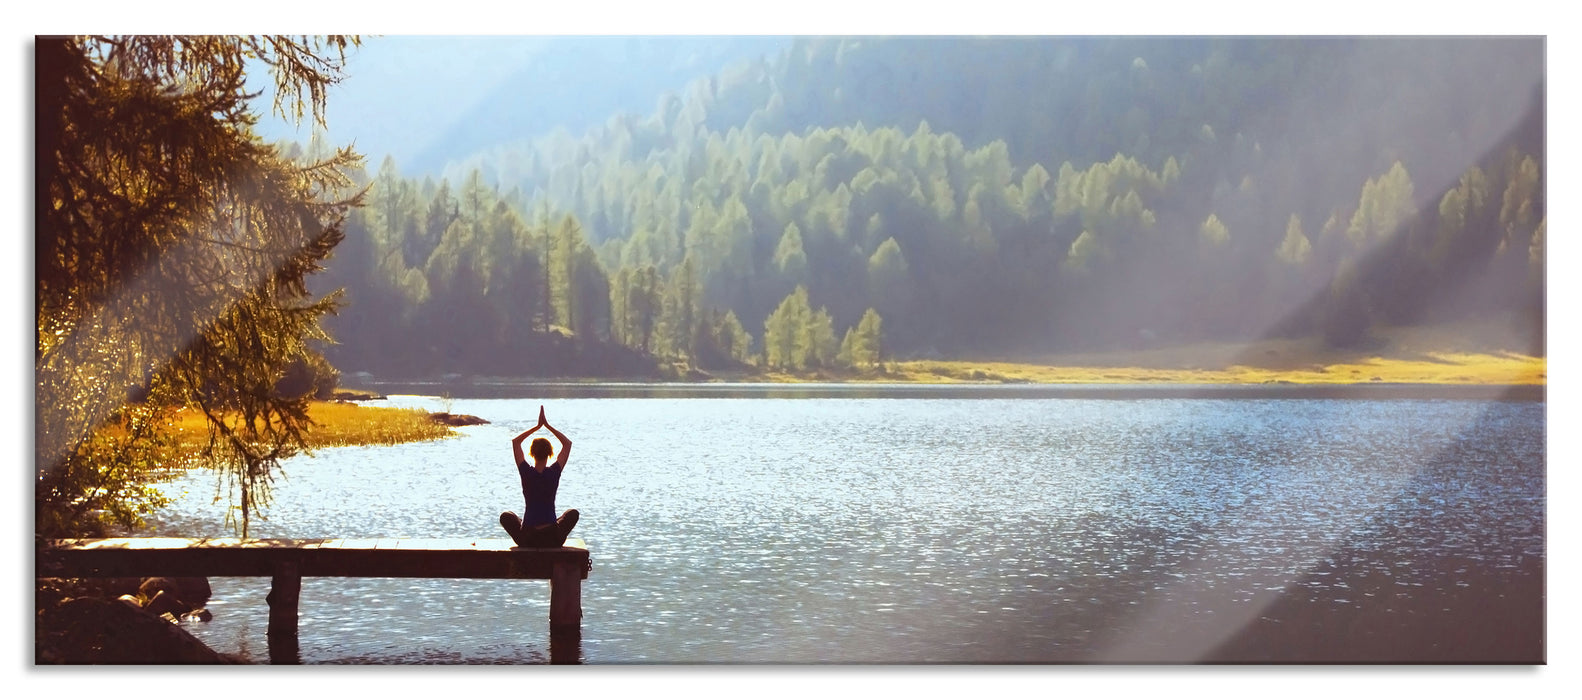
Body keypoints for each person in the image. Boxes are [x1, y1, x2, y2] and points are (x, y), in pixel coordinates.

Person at [500, 405, 579, 548]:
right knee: (572, 514)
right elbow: (567, 444)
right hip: (552, 538)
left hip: (528, 538)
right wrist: (547, 426)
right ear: (550, 454)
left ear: (531, 454)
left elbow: (515, 442)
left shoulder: (526, 472)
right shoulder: (554, 472)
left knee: (506, 516)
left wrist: (537, 427)